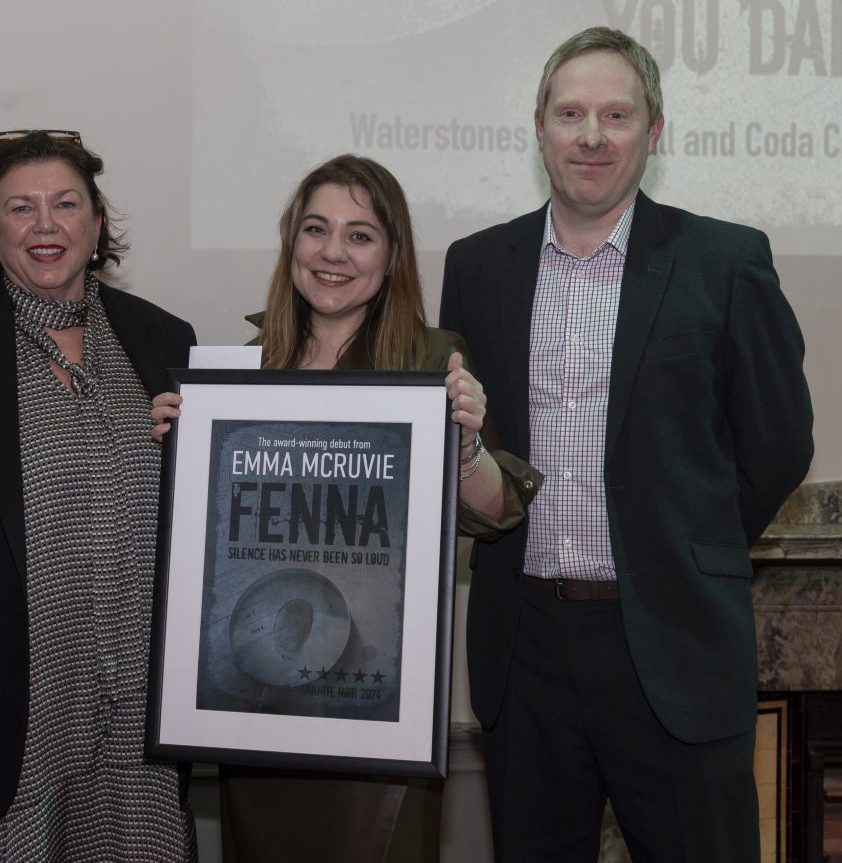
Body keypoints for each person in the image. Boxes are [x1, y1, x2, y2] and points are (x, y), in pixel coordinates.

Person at [439, 26, 814, 862]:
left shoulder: (725, 260)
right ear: (539, 128)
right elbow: (471, 446)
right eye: (571, 112)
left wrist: (689, 544)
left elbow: (780, 442)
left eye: (617, 113)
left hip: (674, 640)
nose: (593, 135)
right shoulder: (477, 265)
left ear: (656, 130)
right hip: (525, 647)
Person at [152, 154, 542, 863]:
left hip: (375, 721)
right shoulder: (243, 368)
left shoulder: (434, 360)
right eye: (315, 229)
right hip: (261, 719)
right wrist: (183, 444)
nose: (333, 252)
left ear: (391, 255)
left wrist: (465, 449)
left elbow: (497, 510)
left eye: (360, 235)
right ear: (290, 243)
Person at [0, 130, 199, 861]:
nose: (46, 225)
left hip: (138, 710)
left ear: (95, 224)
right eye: (21, 209)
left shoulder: (165, 341)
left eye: (66, 204)